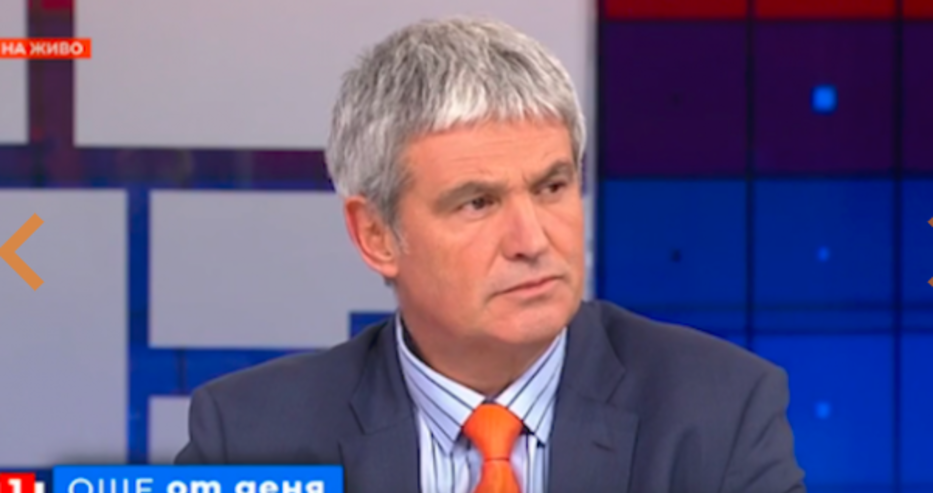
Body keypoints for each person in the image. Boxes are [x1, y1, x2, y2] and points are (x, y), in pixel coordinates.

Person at [175, 16, 807, 493]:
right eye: (477, 203)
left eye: (552, 188)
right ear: (376, 235)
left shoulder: (717, 411)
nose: (532, 241)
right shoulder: (250, 437)